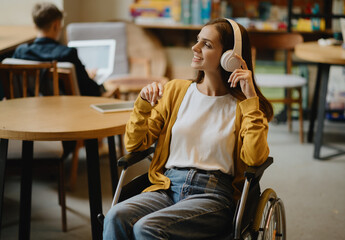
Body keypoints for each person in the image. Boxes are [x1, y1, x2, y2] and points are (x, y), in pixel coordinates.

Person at [103, 18, 274, 239]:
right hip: (166, 186)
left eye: (207, 44)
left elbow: (254, 159)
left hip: (213, 196)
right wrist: (143, 104)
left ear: (230, 57)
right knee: (116, 216)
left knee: (147, 228)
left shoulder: (245, 107)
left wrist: (251, 99)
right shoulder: (176, 91)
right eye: (197, 41)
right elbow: (134, 144)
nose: (195, 48)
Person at [12, 2, 102, 96]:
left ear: (35, 26)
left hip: (28, 108)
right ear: (56, 25)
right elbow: (90, 91)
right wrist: (90, 78)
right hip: (65, 109)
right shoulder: (67, 54)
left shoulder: (20, 52)